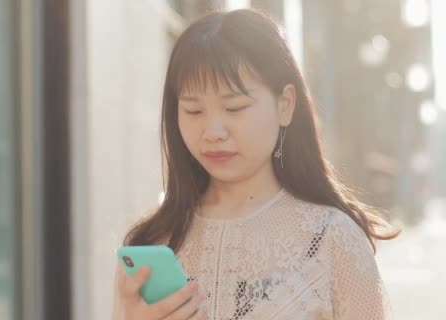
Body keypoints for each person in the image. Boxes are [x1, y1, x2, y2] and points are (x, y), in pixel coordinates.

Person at [112, 8, 399, 320]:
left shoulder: (332, 239)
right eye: (193, 110)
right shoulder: (154, 243)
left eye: (234, 108)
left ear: (285, 105)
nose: (212, 132)